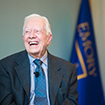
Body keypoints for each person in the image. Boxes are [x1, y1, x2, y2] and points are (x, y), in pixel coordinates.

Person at [0, 14, 78, 105]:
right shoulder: (6, 67)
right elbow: (6, 102)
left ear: (49, 38)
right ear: (23, 38)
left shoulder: (68, 69)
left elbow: (72, 102)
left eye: (37, 31)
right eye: (27, 32)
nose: (31, 36)